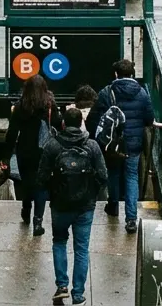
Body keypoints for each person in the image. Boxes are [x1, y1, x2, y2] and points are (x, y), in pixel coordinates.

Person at [38, 107, 108, 306]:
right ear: (81, 124)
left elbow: (41, 178)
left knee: (59, 242)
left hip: (60, 205)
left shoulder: (53, 146)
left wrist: (53, 189)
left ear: (63, 124)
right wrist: (92, 191)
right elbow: (103, 176)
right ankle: (78, 294)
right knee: (81, 249)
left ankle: (62, 286)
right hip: (85, 206)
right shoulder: (92, 146)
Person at [88, 58, 154, 233]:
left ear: (116, 74)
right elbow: (149, 118)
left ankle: (113, 205)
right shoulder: (142, 93)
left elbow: (93, 119)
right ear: (132, 74)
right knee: (132, 176)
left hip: (113, 144)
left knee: (114, 173)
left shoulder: (106, 92)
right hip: (134, 143)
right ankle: (131, 219)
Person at [0, 74, 63, 236]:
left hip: (25, 151)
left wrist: (6, 156)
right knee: (41, 186)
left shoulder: (21, 107)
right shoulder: (49, 105)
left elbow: (12, 133)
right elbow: (58, 126)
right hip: (45, 151)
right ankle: (38, 221)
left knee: (27, 182)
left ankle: (26, 208)